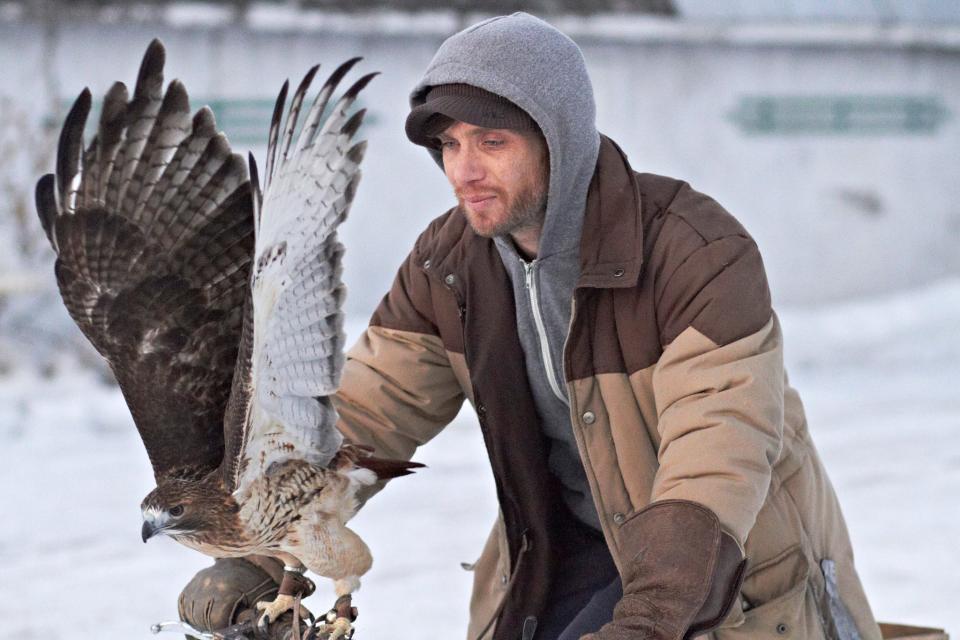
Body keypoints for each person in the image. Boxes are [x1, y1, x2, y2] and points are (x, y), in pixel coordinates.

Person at [179, 12, 881, 640]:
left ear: (559, 140)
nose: (465, 170)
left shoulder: (694, 252)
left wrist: (648, 622)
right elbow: (362, 417)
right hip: (561, 549)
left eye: (491, 141)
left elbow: (715, 457)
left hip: (716, 568)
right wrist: (258, 551)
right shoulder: (448, 264)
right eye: (449, 146)